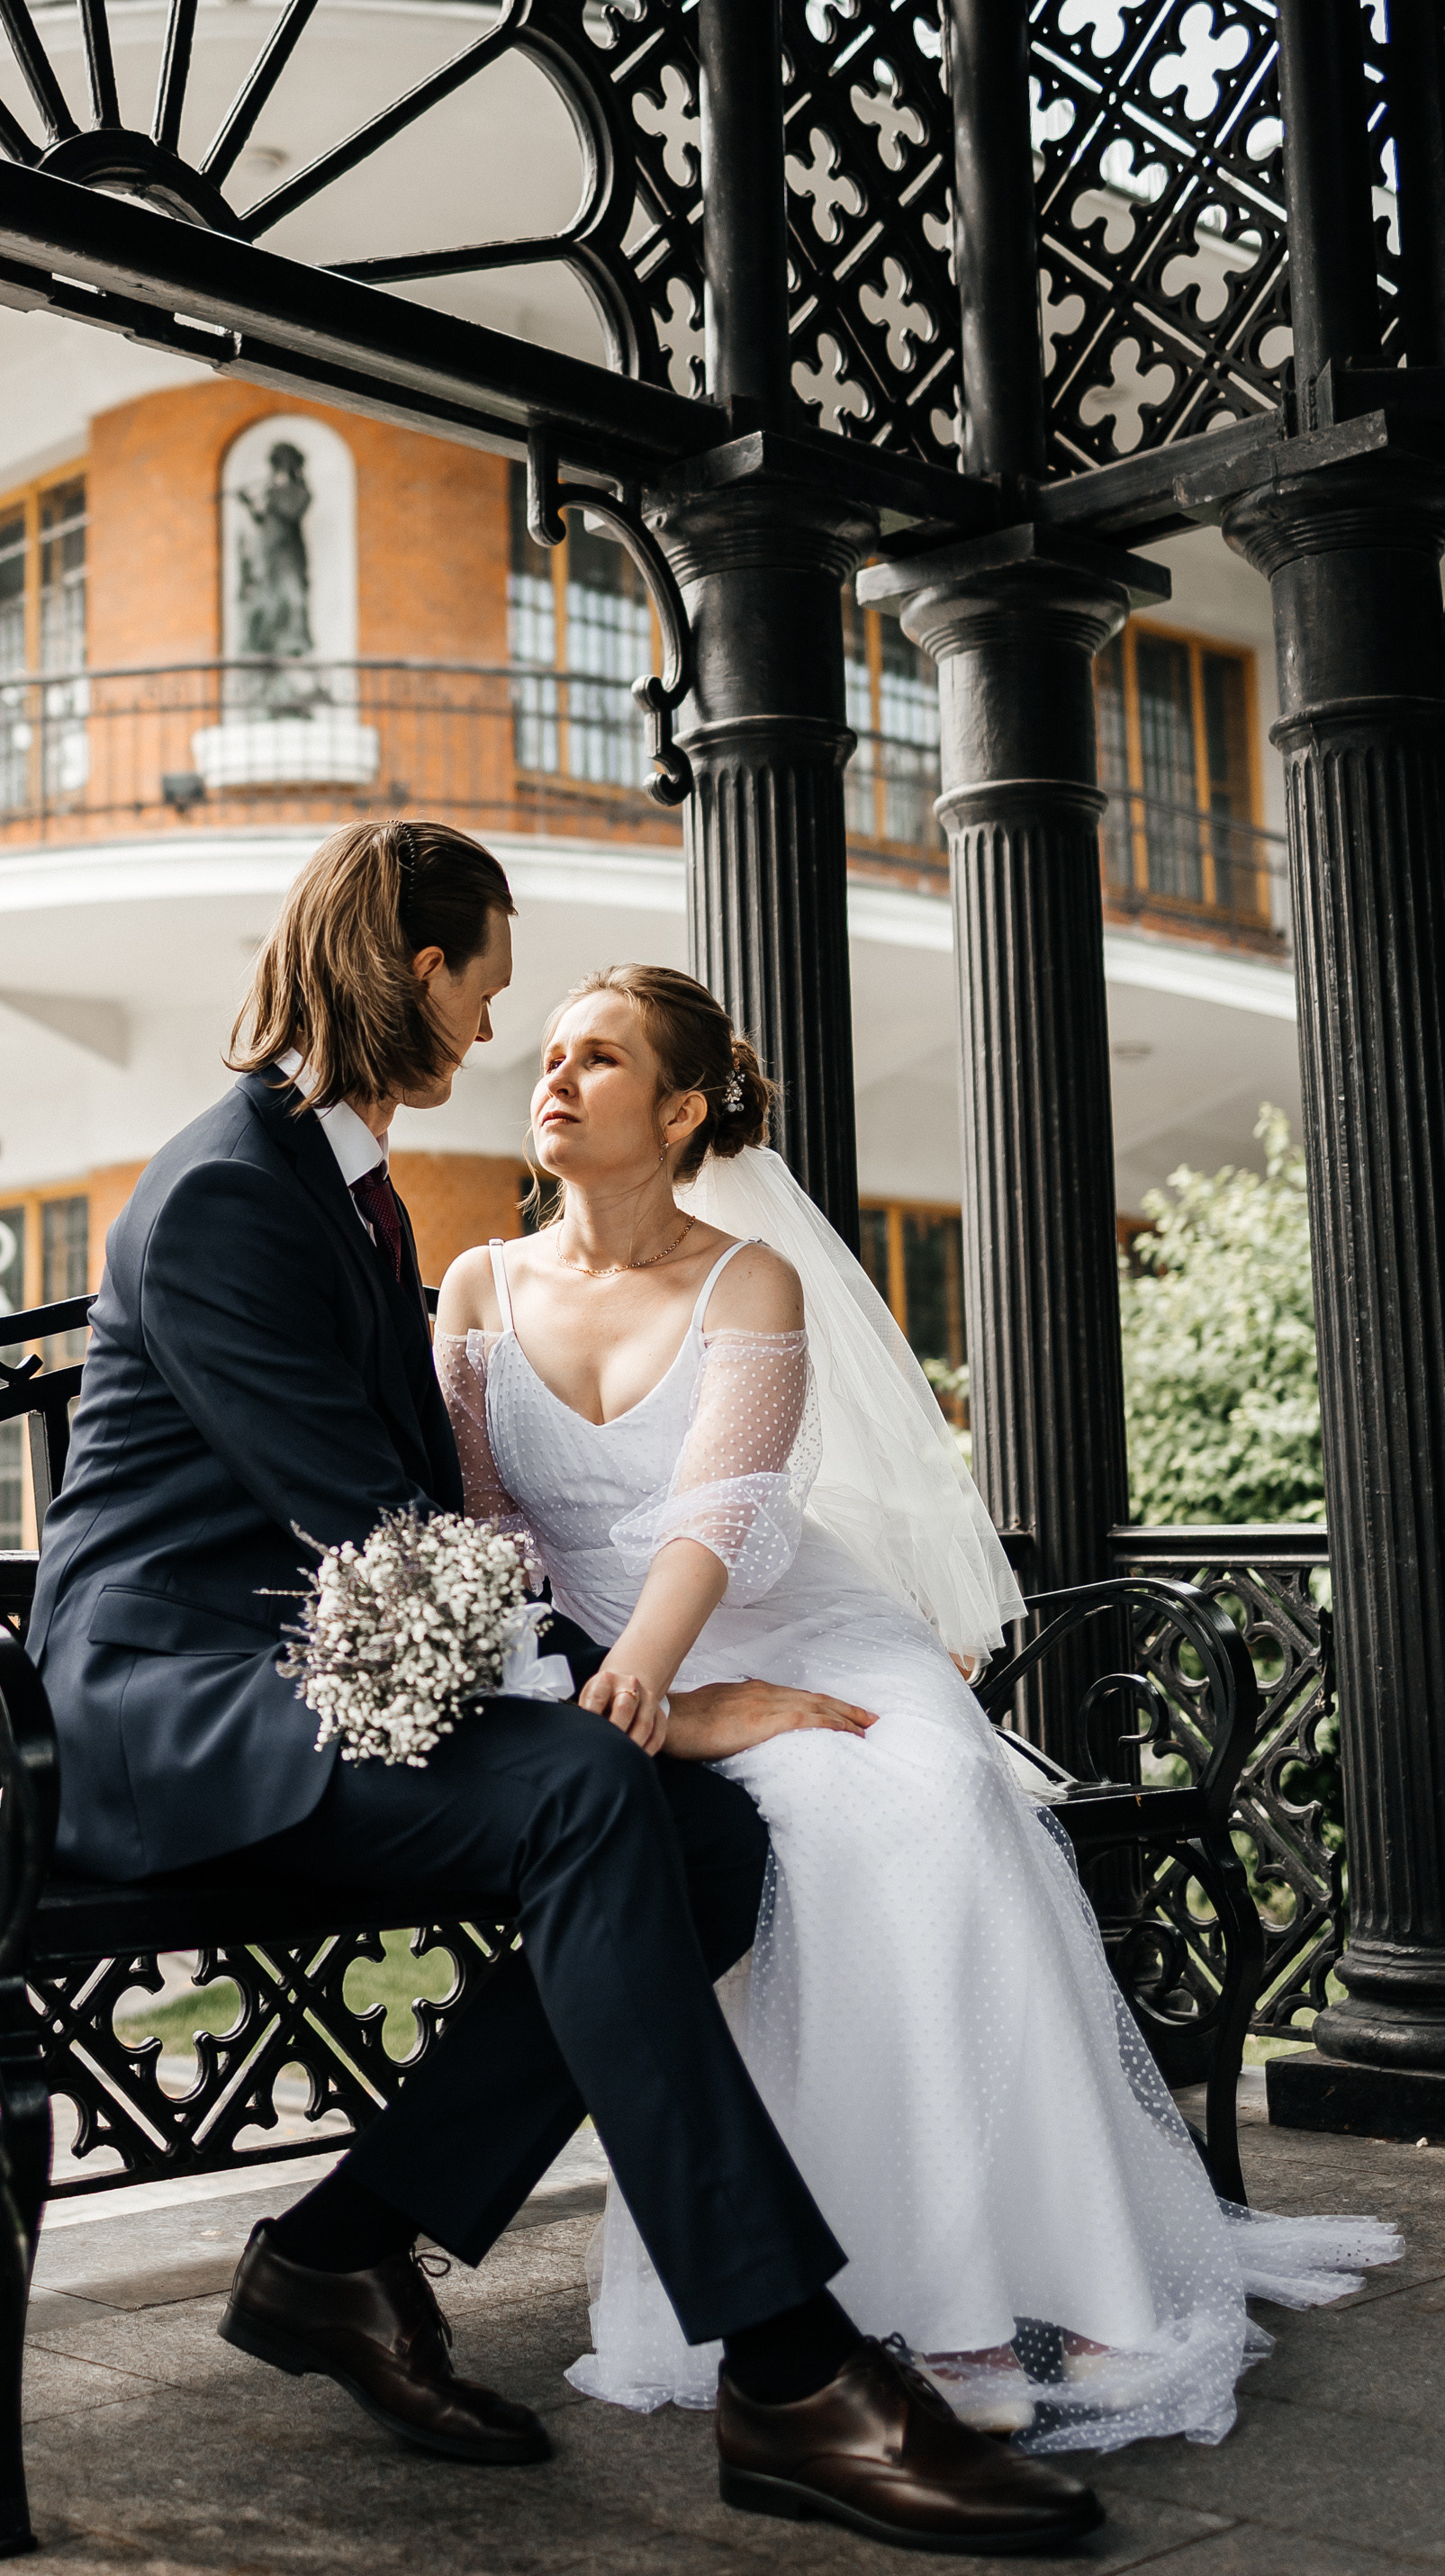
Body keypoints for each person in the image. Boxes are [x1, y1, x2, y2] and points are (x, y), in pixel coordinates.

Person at [29, 822, 1104, 2555]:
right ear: (417, 967)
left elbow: (429, 1535)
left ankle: (338, 2249)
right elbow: (377, 1534)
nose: (486, 1033)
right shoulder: (234, 1187)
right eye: (484, 989)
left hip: (321, 1670)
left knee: (697, 1845)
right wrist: (644, 1704)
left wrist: (650, 1704)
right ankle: (794, 2371)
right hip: (177, 1705)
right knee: (609, 1789)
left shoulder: (337, 1179)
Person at [435, 963, 1400, 2455]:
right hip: (630, 1671)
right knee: (795, 1846)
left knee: (926, 1806)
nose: (550, 1078)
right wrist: (639, 1701)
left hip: (798, 1628)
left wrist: (676, 1681)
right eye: (549, 1054)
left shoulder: (746, 1276)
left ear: (682, 1110)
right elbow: (491, 1535)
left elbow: (728, 1516)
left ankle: (1043, 2288)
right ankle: (875, 2305)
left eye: (599, 1059)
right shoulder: (478, 1290)